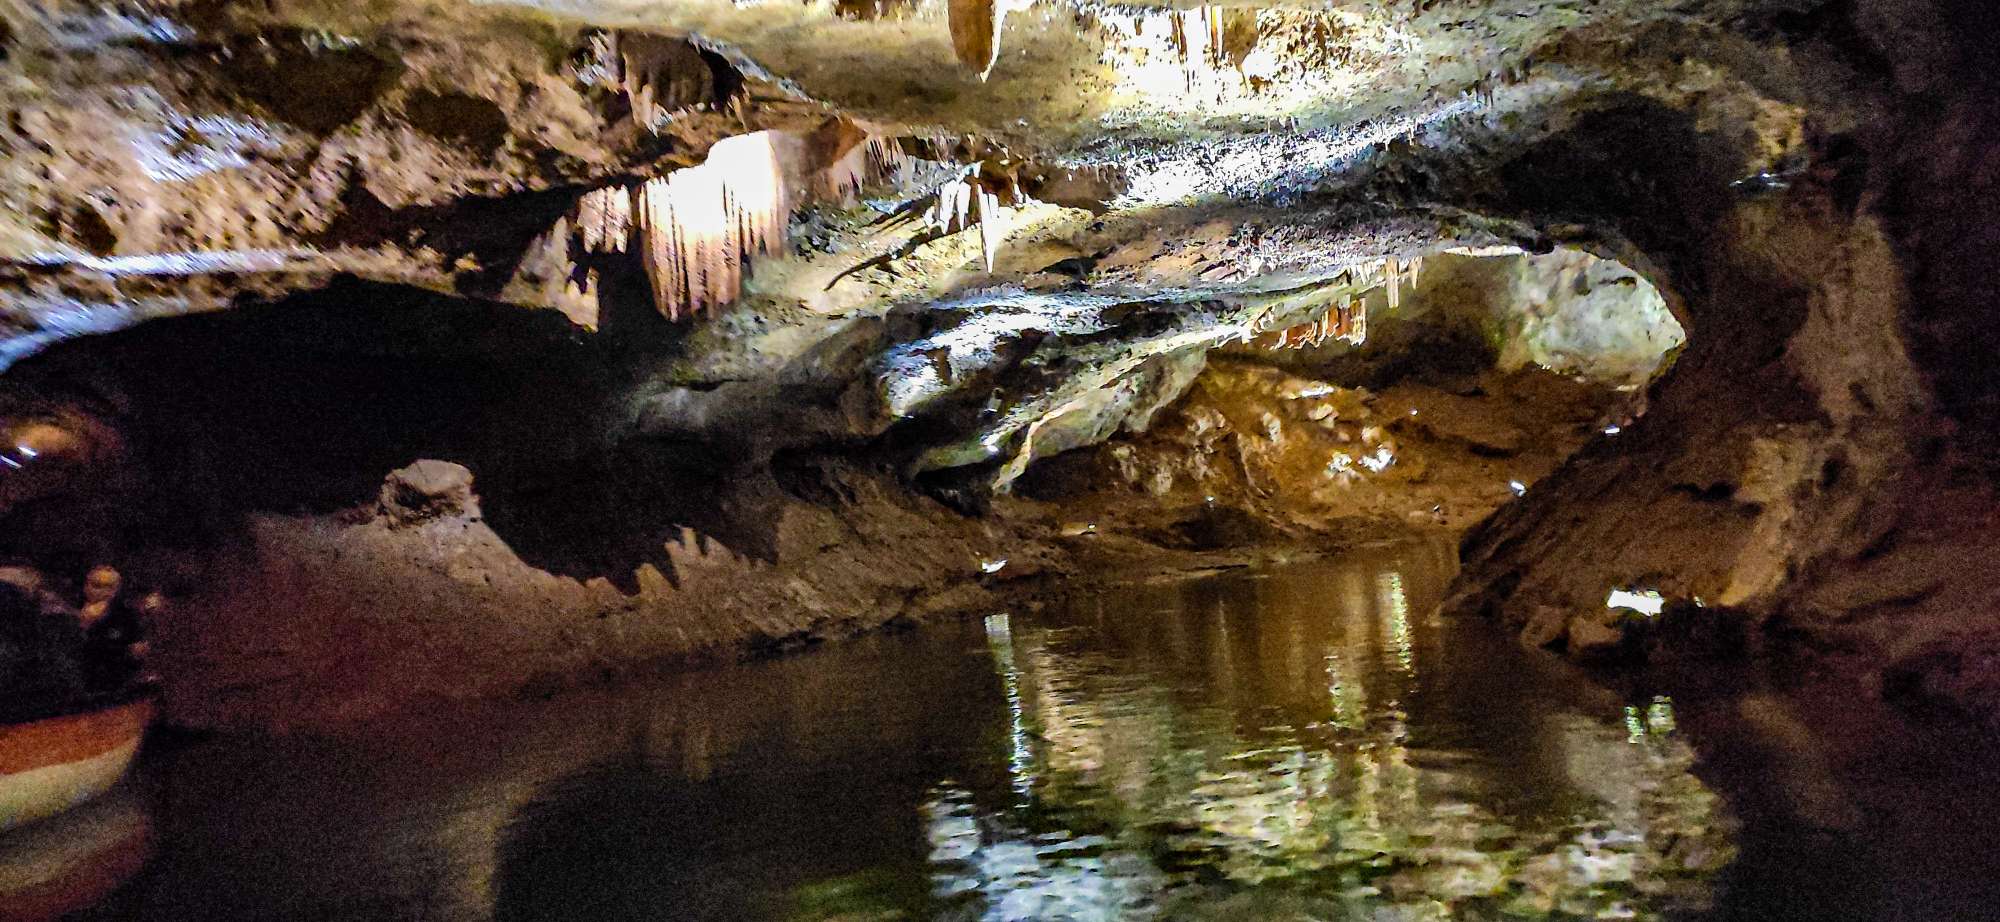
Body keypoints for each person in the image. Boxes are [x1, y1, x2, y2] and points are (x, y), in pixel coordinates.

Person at [75, 565, 149, 694]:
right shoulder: (72, 610)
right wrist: (85, 624)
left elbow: (137, 648)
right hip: (82, 685)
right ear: (86, 586)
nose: (105, 592)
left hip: (118, 684)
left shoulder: (126, 614)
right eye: (97, 585)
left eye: (110, 587)